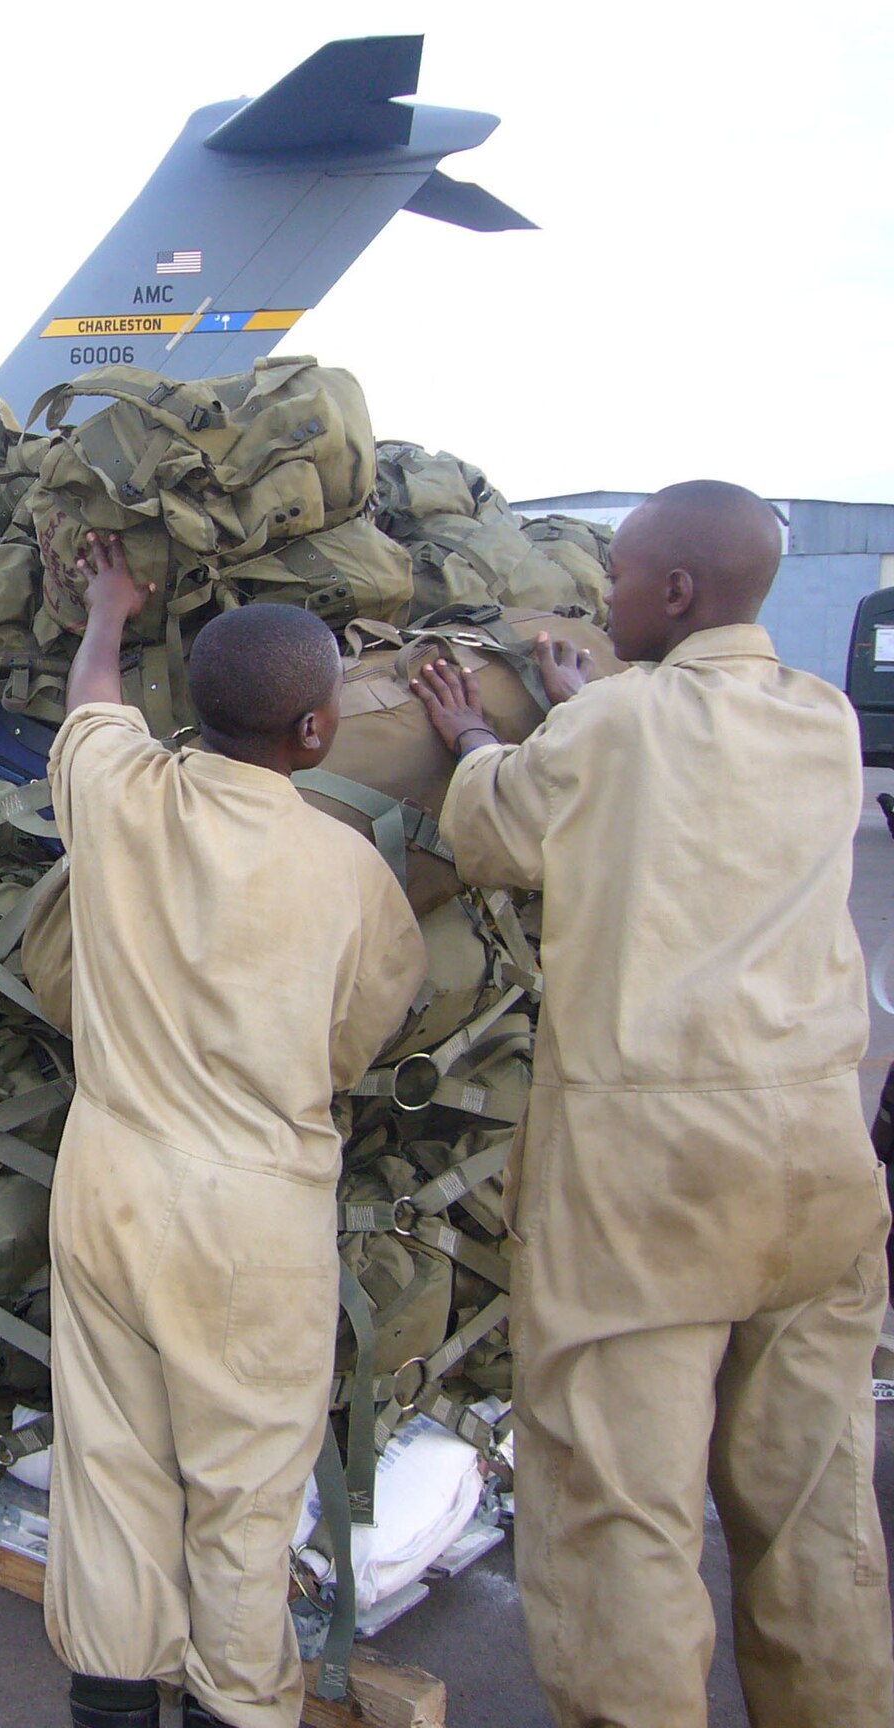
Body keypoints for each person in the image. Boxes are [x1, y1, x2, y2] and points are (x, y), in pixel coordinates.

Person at [410, 479, 894, 1728]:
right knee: (811, 1501)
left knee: (617, 1505)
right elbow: (685, 777)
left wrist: (474, 737)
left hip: (653, 1179)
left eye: (619, 574)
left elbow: (495, 833)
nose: (604, 593)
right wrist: (593, 708)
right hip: (821, 1159)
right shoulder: (821, 718)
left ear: (672, 592)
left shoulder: (609, 731)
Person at [42, 531, 425, 1728]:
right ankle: (235, 1705)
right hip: (253, 1208)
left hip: (104, 1175)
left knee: (106, 1472)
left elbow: (92, 708)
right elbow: (354, 1041)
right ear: (315, 733)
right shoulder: (348, 868)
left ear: (190, 714)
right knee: (242, 1497)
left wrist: (107, 610)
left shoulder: (118, 800)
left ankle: (108, 1703)